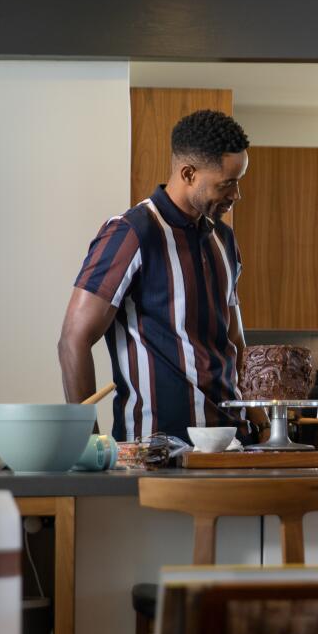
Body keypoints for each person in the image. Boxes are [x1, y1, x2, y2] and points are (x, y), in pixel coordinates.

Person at [58, 110, 267, 444]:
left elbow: (235, 341)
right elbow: (73, 339)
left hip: (232, 442)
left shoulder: (224, 239)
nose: (236, 194)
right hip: (154, 449)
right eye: (227, 183)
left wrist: (262, 421)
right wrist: (86, 444)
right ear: (188, 173)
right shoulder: (131, 232)